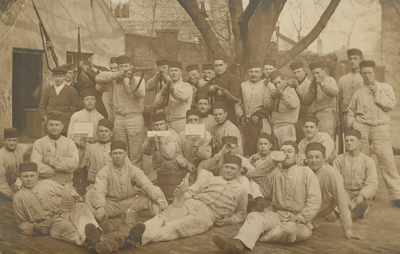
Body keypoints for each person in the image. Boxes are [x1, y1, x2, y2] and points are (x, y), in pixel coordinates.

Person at [213, 141, 321, 253]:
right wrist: (271, 161)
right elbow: (255, 176)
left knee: (289, 229)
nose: (286, 154)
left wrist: (302, 217)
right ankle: (238, 243)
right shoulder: (275, 172)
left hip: (300, 222)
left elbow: (315, 200)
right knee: (254, 216)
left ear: (297, 155)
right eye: (283, 151)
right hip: (277, 215)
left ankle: (255, 237)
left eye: (290, 151)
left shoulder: (306, 172)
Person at [123, 154, 247, 248]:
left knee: (177, 226)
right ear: (222, 167)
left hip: (208, 215)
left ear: (239, 170)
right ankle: (138, 233)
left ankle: (139, 238)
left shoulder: (241, 190)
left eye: (232, 168)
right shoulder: (211, 179)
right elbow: (192, 191)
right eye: (226, 167)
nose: (229, 170)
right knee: (164, 216)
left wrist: (230, 220)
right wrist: (181, 196)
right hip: (192, 202)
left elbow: (242, 214)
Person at [13, 161, 103, 250]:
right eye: (25, 176)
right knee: (65, 231)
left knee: (81, 207)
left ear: (37, 174)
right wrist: (35, 228)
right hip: (54, 224)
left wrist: (73, 199)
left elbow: (70, 192)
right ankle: (94, 241)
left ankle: (93, 237)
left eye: (32, 176)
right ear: (19, 177)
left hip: (68, 211)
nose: (29, 179)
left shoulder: (48, 184)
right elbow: (22, 223)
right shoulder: (18, 198)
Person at [347, 60, 400, 207]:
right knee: (362, 161)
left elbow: (390, 105)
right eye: (364, 73)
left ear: (375, 72)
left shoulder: (385, 87)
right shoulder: (358, 91)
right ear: (361, 74)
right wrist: (352, 124)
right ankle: (366, 194)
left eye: (370, 72)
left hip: (380, 128)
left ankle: (396, 194)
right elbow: (351, 110)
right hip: (362, 128)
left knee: (387, 161)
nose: (367, 76)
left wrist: (377, 91)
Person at [86, 140, 168, 222]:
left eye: (121, 153)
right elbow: (100, 190)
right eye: (115, 153)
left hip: (131, 203)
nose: (118, 156)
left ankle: (163, 221)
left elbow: (147, 185)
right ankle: (103, 222)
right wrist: (100, 206)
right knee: (90, 197)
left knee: (157, 197)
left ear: (125, 154)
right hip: (111, 205)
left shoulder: (132, 169)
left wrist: (160, 201)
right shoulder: (104, 172)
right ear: (110, 155)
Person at [95, 54, 145, 169]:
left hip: (134, 117)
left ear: (131, 66)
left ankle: (136, 180)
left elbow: (139, 94)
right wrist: (118, 74)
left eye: (126, 66)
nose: (124, 69)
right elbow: (98, 78)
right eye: (121, 66)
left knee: (136, 153)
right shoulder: (114, 79)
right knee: (120, 150)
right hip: (119, 118)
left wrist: (131, 79)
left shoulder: (138, 80)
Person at [306, 142, 363, 240]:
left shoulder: (332, 176)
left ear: (324, 158)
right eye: (310, 157)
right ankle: (331, 214)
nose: (313, 160)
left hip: (313, 217)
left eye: (317, 157)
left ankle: (349, 211)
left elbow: (342, 202)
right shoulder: (303, 169)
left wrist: (347, 230)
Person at [198, 135, 264, 211]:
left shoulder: (242, 159)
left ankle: (250, 199)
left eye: (232, 148)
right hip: (218, 187)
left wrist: (245, 170)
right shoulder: (219, 157)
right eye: (227, 148)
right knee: (204, 172)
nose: (229, 150)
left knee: (245, 177)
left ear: (236, 148)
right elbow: (206, 166)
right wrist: (221, 152)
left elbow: (253, 172)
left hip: (235, 188)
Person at [333, 129, 378, 219]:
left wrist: (362, 195)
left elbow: (372, 183)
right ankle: (337, 212)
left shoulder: (368, 161)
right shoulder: (339, 160)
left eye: (352, 140)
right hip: (345, 192)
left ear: (359, 142)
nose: (349, 143)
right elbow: (336, 180)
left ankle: (355, 212)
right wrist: (342, 194)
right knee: (336, 204)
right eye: (347, 141)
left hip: (361, 193)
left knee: (362, 203)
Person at [30, 111, 79, 185]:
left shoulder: (69, 143)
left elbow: (74, 163)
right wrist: (60, 170)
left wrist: (50, 161)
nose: (54, 127)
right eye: (51, 124)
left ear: (62, 126)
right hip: (45, 185)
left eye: (57, 125)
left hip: (65, 184)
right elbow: (36, 166)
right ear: (47, 126)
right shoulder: (39, 143)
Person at [153, 61, 193, 134]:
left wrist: (172, 89)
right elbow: (157, 104)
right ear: (168, 72)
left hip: (181, 122)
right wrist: (163, 92)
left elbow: (181, 96)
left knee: (181, 143)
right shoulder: (165, 86)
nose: (174, 73)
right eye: (171, 70)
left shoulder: (186, 86)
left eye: (176, 70)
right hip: (167, 124)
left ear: (181, 72)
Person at [39, 66, 81, 135]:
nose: (58, 79)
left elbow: (78, 107)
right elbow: (42, 106)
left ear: (64, 77)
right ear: (53, 77)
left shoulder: (70, 90)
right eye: (56, 76)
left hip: (64, 125)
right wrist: (45, 117)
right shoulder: (48, 90)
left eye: (60, 76)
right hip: (50, 124)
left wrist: (69, 118)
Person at [241, 61, 272, 155]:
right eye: (251, 72)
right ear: (247, 72)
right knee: (243, 145)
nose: (253, 74)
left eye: (256, 72)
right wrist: (240, 115)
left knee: (260, 146)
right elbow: (238, 102)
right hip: (243, 121)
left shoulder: (266, 86)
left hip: (260, 122)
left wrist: (259, 116)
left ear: (261, 72)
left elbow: (268, 106)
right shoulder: (242, 86)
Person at [303, 61, 338, 141]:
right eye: (313, 74)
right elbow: (306, 101)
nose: (315, 75)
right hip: (316, 115)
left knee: (327, 138)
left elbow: (334, 92)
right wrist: (310, 88)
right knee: (317, 139)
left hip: (327, 115)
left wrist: (322, 84)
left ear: (324, 71)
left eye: (317, 73)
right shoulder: (314, 83)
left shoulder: (329, 80)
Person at [141, 113, 181, 182]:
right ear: (153, 126)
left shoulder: (172, 135)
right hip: (158, 169)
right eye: (156, 125)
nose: (159, 127)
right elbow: (144, 151)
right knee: (144, 183)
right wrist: (150, 142)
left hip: (171, 168)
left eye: (161, 124)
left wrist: (160, 143)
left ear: (166, 123)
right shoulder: (154, 134)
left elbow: (170, 156)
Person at [265, 70, 300, 147]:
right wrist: (272, 96)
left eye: (279, 82)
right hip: (274, 126)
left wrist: (282, 95)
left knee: (286, 151)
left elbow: (294, 104)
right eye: (275, 84)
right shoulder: (275, 91)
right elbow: (267, 106)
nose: (277, 85)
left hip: (286, 128)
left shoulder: (290, 89)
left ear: (284, 80)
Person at [176, 108, 212, 179]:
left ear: (200, 121)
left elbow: (208, 155)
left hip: (202, 168)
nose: (193, 122)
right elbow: (177, 154)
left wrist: (198, 148)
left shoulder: (206, 135)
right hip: (185, 168)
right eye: (190, 120)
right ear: (187, 122)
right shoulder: (181, 135)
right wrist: (186, 164)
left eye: (196, 120)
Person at [207, 53, 242, 126]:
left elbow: (237, 95)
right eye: (216, 66)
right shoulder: (213, 80)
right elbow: (202, 90)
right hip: (215, 114)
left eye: (220, 65)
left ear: (226, 65)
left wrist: (223, 93)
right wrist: (209, 89)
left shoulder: (232, 78)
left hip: (228, 113)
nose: (218, 68)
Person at [79, 119, 114, 187]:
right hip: (94, 185)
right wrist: (82, 148)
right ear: (97, 133)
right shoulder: (90, 148)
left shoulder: (116, 148)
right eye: (101, 131)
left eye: (106, 131)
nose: (103, 133)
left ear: (111, 133)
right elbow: (80, 165)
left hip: (112, 186)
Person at [0, 128, 32, 200]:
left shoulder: (20, 147)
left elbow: (33, 145)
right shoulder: (1, 155)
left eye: (14, 140)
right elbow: (1, 180)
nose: (12, 143)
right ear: (4, 141)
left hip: (19, 183)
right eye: (9, 140)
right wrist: (10, 194)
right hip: (5, 188)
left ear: (17, 140)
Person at [246, 133, 276, 199]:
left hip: (270, 185)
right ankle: (258, 199)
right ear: (257, 145)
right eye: (260, 144)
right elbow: (249, 173)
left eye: (265, 144)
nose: (263, 146)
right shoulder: (253, 158)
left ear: (270, 145)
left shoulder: (275, 157)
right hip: (257, 186)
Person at [338, 49, 364, 124]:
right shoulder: (342, 79)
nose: (352, 61)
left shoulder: (364, 78)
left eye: (355, 58)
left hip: (361, 115)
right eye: (350, 59)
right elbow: (339, 100)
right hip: (346, 115)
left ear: (361, 60)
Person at [289, 61, 312, 142]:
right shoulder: (292, 84)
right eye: (294, 73)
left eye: (299, 72)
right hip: (295, 116)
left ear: (304, 71)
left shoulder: (310, 84)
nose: (297, 75)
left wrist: (297, 88)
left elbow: (306, 100)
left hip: (306, 115)